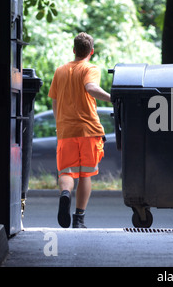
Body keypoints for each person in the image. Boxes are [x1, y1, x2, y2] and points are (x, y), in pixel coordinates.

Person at [48, 32, 111, 228]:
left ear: (74, 50)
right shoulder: (90, 68)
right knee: (85, 175)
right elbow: (91, 88)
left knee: (66, 172)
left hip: (66, 130)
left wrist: (60, 124)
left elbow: (55, 101)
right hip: (88, 130)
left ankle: (65, 194)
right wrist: (113, 98)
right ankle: (79, 218)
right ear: (91, 52)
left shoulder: (60, 71)